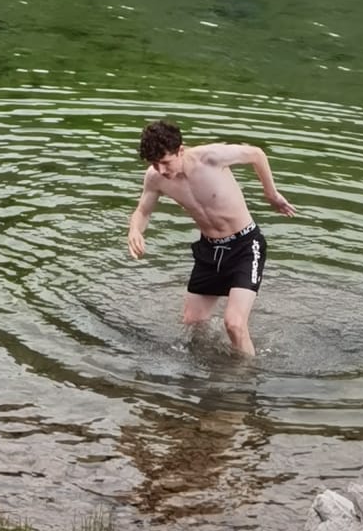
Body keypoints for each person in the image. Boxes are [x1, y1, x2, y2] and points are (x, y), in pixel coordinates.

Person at [126, 119, 296, 358]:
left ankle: (247, 375)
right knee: (192, 322)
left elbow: (256, 154)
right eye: (154, 163)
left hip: (245, 245)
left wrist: (271, 194)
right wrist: (135, 230)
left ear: (180, 150)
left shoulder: (211, 158)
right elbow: (143, 211)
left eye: (165, 162)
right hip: (210, 250)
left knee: (234, 324)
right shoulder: (155, 178)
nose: (161, 170)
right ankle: (204, 366)